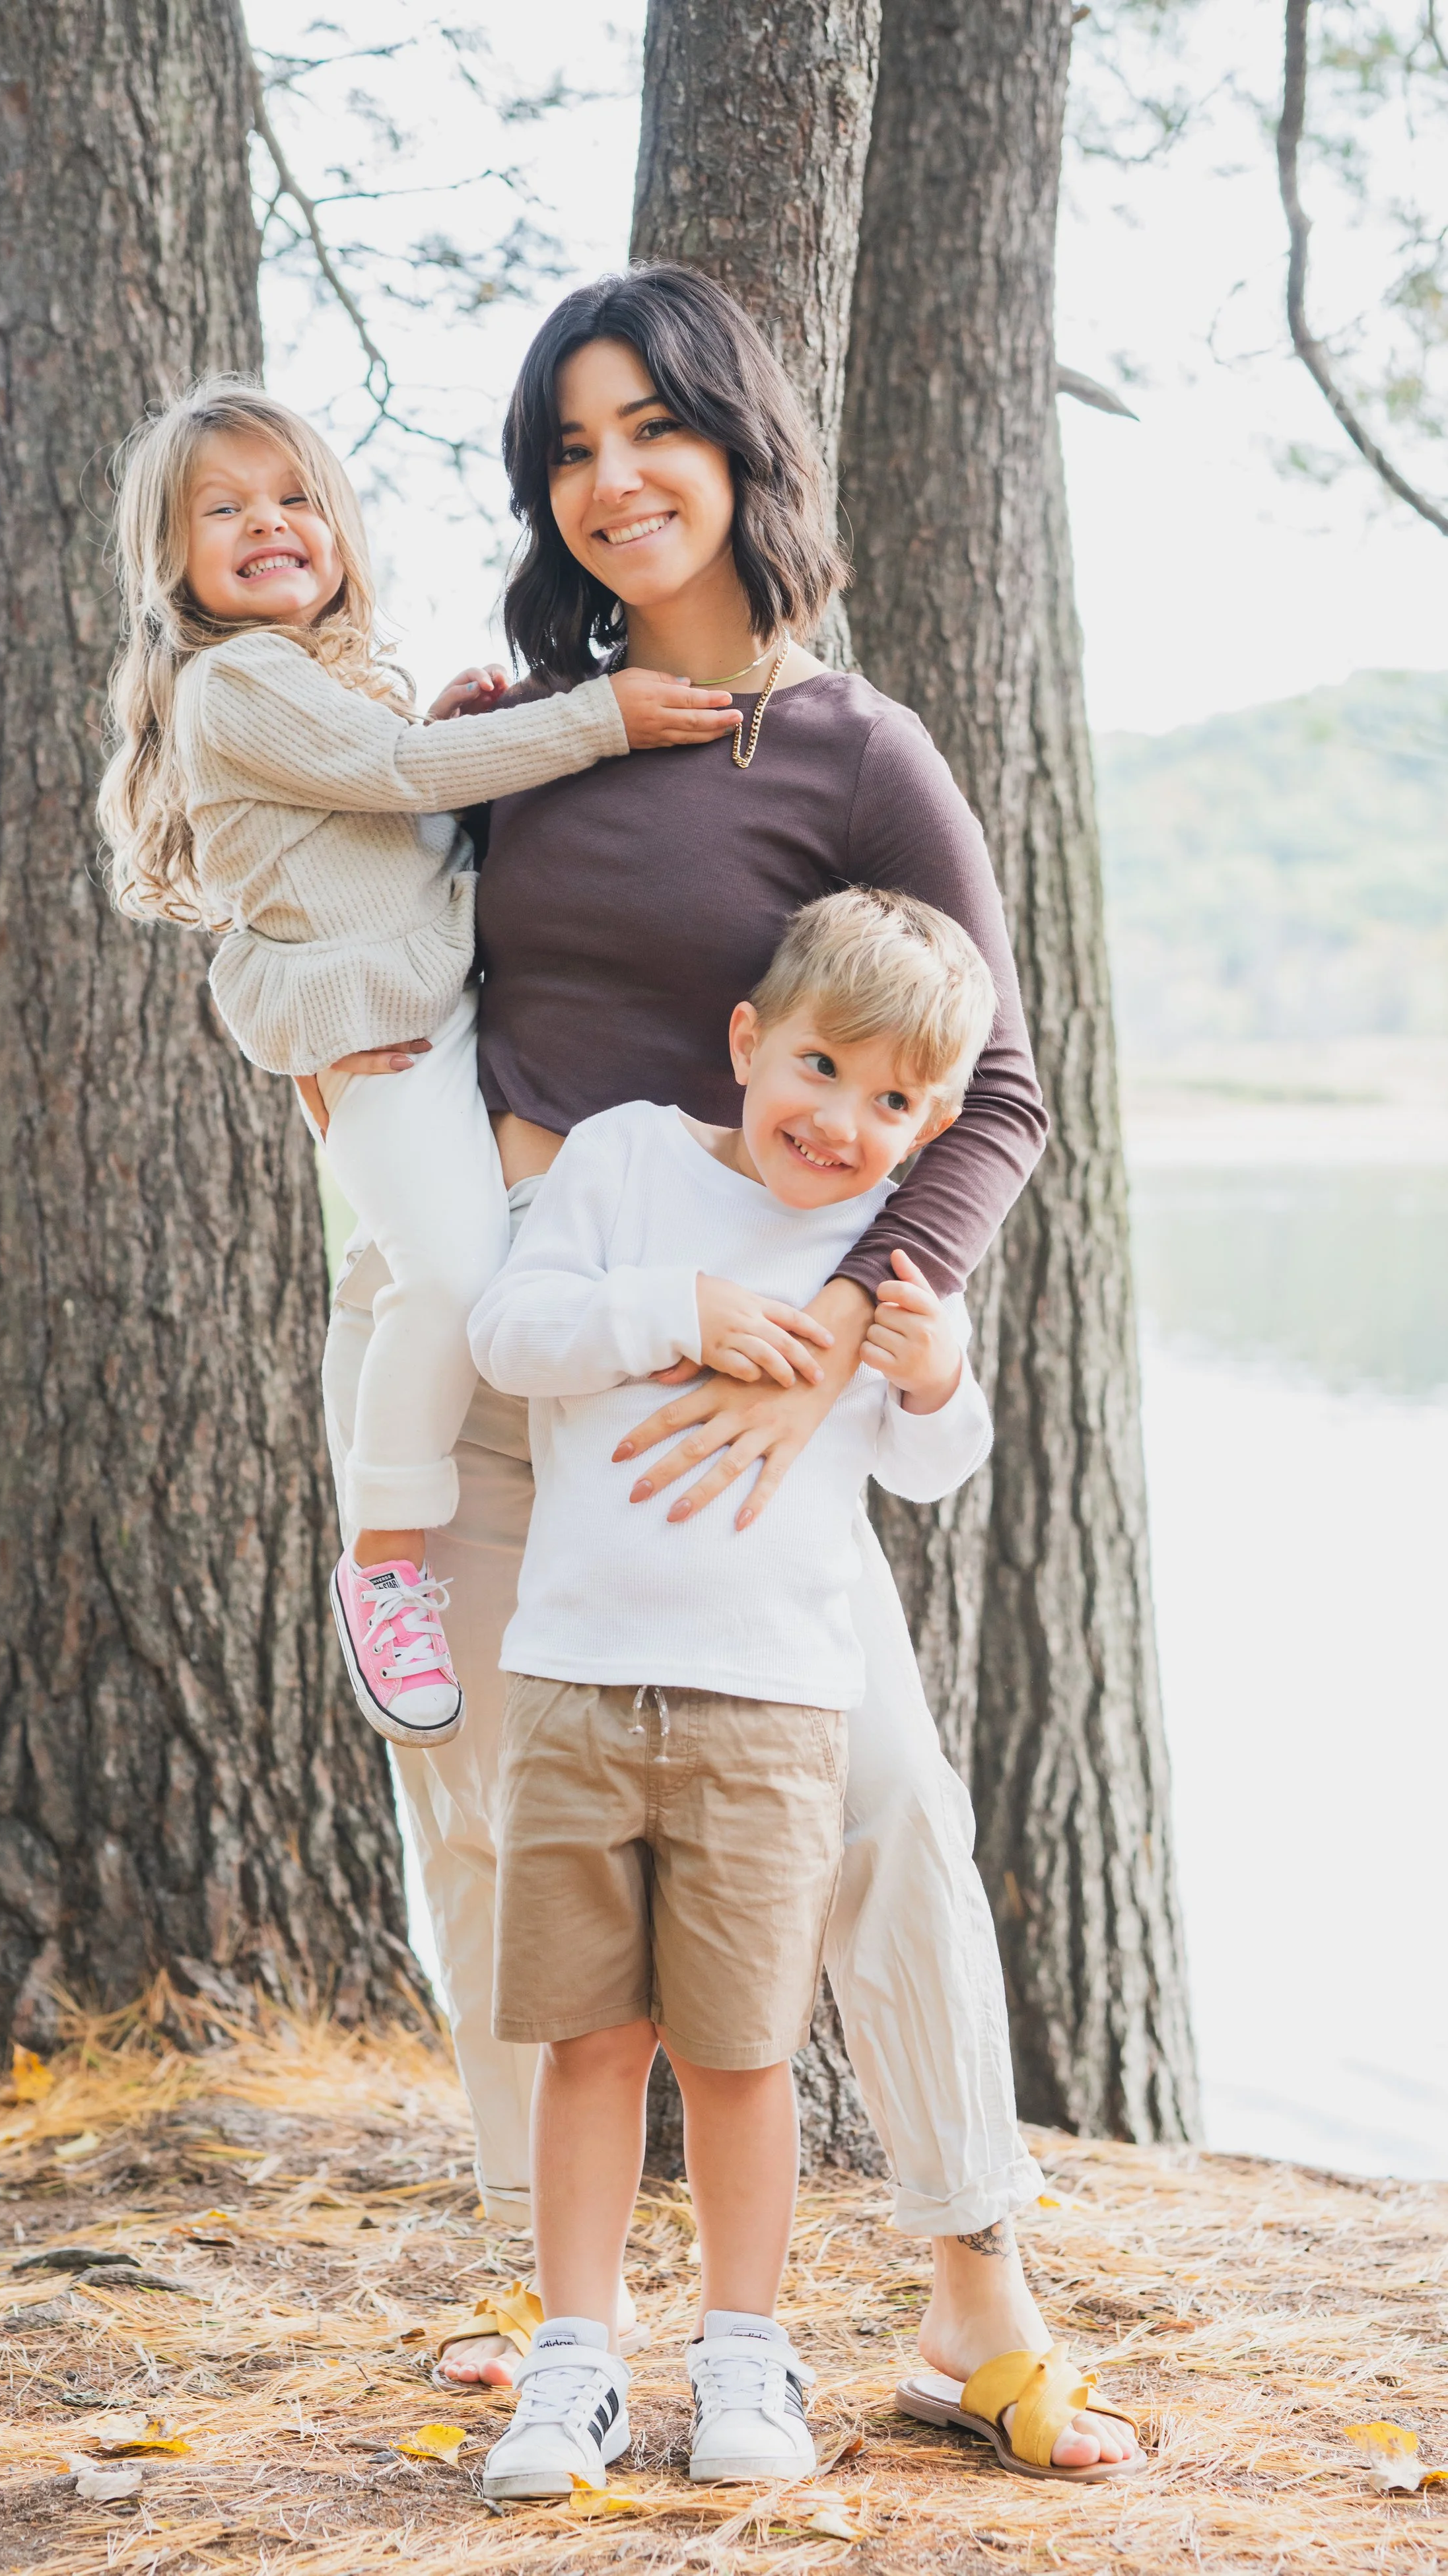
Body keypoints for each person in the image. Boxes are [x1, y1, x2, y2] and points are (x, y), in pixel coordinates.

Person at [322, 267, 1143, 2480]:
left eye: (650, 431)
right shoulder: (520, 738)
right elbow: (353, 954)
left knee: (884, 1820)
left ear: (736, 446)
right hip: (502, 1368)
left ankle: (980, 2299)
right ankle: (563, 2299)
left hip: (741, 1414)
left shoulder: (852, 747)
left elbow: (1001, 1092)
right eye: (570, 449)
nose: (611, 481)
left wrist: (841, 1350)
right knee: (501, 1840)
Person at [96, 376, 738, 1748]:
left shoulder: (313, 679)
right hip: (381, 1044)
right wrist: (602, 717)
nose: (269, 524)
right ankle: (383, 1560)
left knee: (420, 1266)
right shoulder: (234, 681)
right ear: (173, 559)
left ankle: (409, 1481)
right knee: (453, 1276)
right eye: (226, 509)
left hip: (433, 1021)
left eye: (294, 498)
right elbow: (394, 780)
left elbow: (396, 804)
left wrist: (443, 738)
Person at [467, 891, 997, 2499]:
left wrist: (931, 1372)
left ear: (933, 1123)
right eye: (819, 1068)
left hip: (769, 1710)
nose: (838, 1122)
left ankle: (741, 2348)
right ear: (749, 1040)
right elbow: (508, 1333)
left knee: (741, 2054)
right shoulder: (624, 1161)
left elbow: (932, 1469)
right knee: (585, 2040)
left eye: (890, 1101)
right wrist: (672, 1309)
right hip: (574, 1683)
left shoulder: (885, 1263)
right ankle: (575, 2364)